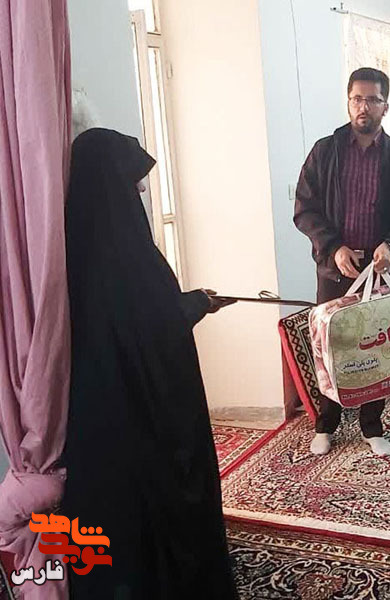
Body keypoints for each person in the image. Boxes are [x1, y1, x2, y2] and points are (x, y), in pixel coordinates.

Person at [62, 128, 237, 599]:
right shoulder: (125, 255)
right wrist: (195, 303)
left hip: (103, 423)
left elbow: (138, 317)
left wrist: (192, 301)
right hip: (144, 420)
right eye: (133, 179)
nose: (141, 189)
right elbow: (154, 325)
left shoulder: (76, 251)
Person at [294, 67, 390, 457]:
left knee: (376, 350)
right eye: (356, 99)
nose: (363, 107)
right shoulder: (325, 152)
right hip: (336, 268)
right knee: (331, 347)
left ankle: (371, 425)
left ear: (385, 105)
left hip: (381, 270)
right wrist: (334, 247)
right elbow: (304, 209)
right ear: (348, 101)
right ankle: (326, 423)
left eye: (372, 99)